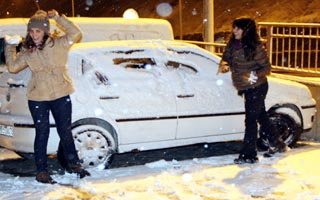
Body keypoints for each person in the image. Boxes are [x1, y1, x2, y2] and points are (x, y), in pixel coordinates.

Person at [4, 9, 90, 184]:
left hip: (60, 93)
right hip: (37, 96)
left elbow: (77, 33)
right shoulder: (27, 51)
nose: (34, 35)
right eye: (31, 31)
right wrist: (10, 47)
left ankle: (74, 165)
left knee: (65, 131)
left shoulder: (59, 43)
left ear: (45, 31)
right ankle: (41, 171)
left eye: (38, 31)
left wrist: (58, 18)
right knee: (41, 133)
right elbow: (13, 67)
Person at [218, 17, 286, 164]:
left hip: (257, 86)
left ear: (246, 30)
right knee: (261, 117)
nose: (234, 30)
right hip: (246, 87)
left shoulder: (255, 47)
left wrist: (254, 74)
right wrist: (224, 64)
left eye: (237, 28)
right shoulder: (232, 43)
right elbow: (226, 57)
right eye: (234, 27)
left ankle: (249, 155)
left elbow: (267, 68)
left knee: (250, 120)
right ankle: (278, 144)